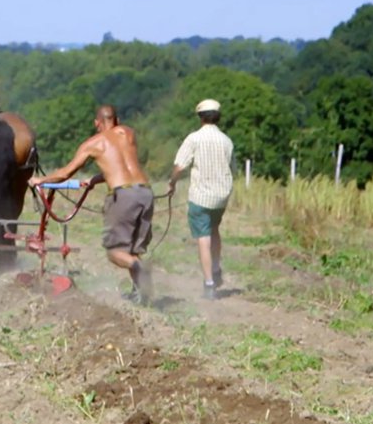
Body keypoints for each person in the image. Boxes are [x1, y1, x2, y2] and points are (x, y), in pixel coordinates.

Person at [28, 105, 155, 305]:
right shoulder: (128, 133)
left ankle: (139, 268)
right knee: (133, 248)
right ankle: (141, 295)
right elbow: (122, 164)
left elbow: (65, 173)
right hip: (145, 192)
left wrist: (40, 180)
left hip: (123, 196)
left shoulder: (94, 143)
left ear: (97, 123)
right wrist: (97, 179)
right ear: (117, 120)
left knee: (115, 252)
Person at [167, 99, 234, 301]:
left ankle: (209, 283)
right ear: (218, 117)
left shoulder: (194, 139)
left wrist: (172, 183)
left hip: (201, 196)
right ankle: (215, 267)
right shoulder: (226, 140)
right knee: (214, 229)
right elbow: (233, 168)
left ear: (200, 117)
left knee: (203, 237)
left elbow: (180, 166)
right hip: (222, 196)